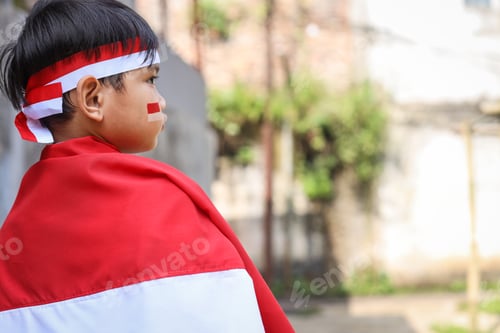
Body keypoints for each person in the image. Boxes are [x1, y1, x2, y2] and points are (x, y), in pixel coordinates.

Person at [0, 1, 295, 332]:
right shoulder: (166, 204)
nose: (162, 100)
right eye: (151, 79)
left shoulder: (15, 234)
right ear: (93, 98)